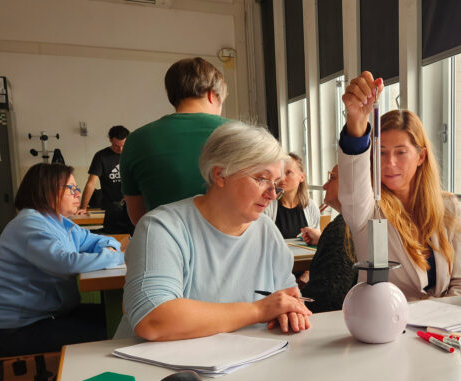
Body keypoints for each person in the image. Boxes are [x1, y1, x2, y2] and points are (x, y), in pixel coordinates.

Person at [117, 122, 312, 341]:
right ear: (220, 174)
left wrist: (291, 312)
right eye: (261, 179)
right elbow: (153, 320)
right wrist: (259, 310)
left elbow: (286, 299)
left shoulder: (267, 232)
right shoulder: (162, 228)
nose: (272, 194)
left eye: (276, 183)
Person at [338, 71, 461, 300]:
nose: (389, 163)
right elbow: (353, 191)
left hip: (442, 326)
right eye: (381, 153)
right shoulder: (370, 208)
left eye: (401, 152)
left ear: (421, 157)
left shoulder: (448, 207)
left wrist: (445, 321)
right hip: (387, 324)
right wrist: (356, 122)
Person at [0, 163, 124, 356]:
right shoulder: (29, 224)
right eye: (70, 189)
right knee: (113, 331)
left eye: (77, 188)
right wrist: (112, 255)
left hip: (45, 314)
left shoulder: (60, 223)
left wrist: (109, 249)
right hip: (11, 329)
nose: (77, 194)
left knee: (123, 319)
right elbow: (66, 263)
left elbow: (103, 240)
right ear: (44, 191)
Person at [120, 57, 229, 225]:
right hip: (231, 246)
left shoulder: (136, 139)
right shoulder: (243, 134)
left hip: (163, 242)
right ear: (211, 95)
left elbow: (137, 216)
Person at [298, 165, 358, 313]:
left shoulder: (341, 229)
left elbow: (326, 299)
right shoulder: (352, 224)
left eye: (332, 178)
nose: (324, 186)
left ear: (352, 185)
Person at [78, 125, 134, 234]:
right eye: (116, 146)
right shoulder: (101, 156)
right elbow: (91, 183)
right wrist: (83, 207)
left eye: (123, 145)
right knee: (112, 236)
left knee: (133, 236)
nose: (120, 149)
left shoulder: (133, 154)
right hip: (112, 206)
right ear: (110, 140)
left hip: (132, 203)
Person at [263, 153, 320, 238]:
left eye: (288, 172)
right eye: (280, 173)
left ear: (301, 177)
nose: (282, 178)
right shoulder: (266, 205)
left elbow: (317, 242)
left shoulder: (311, 206)